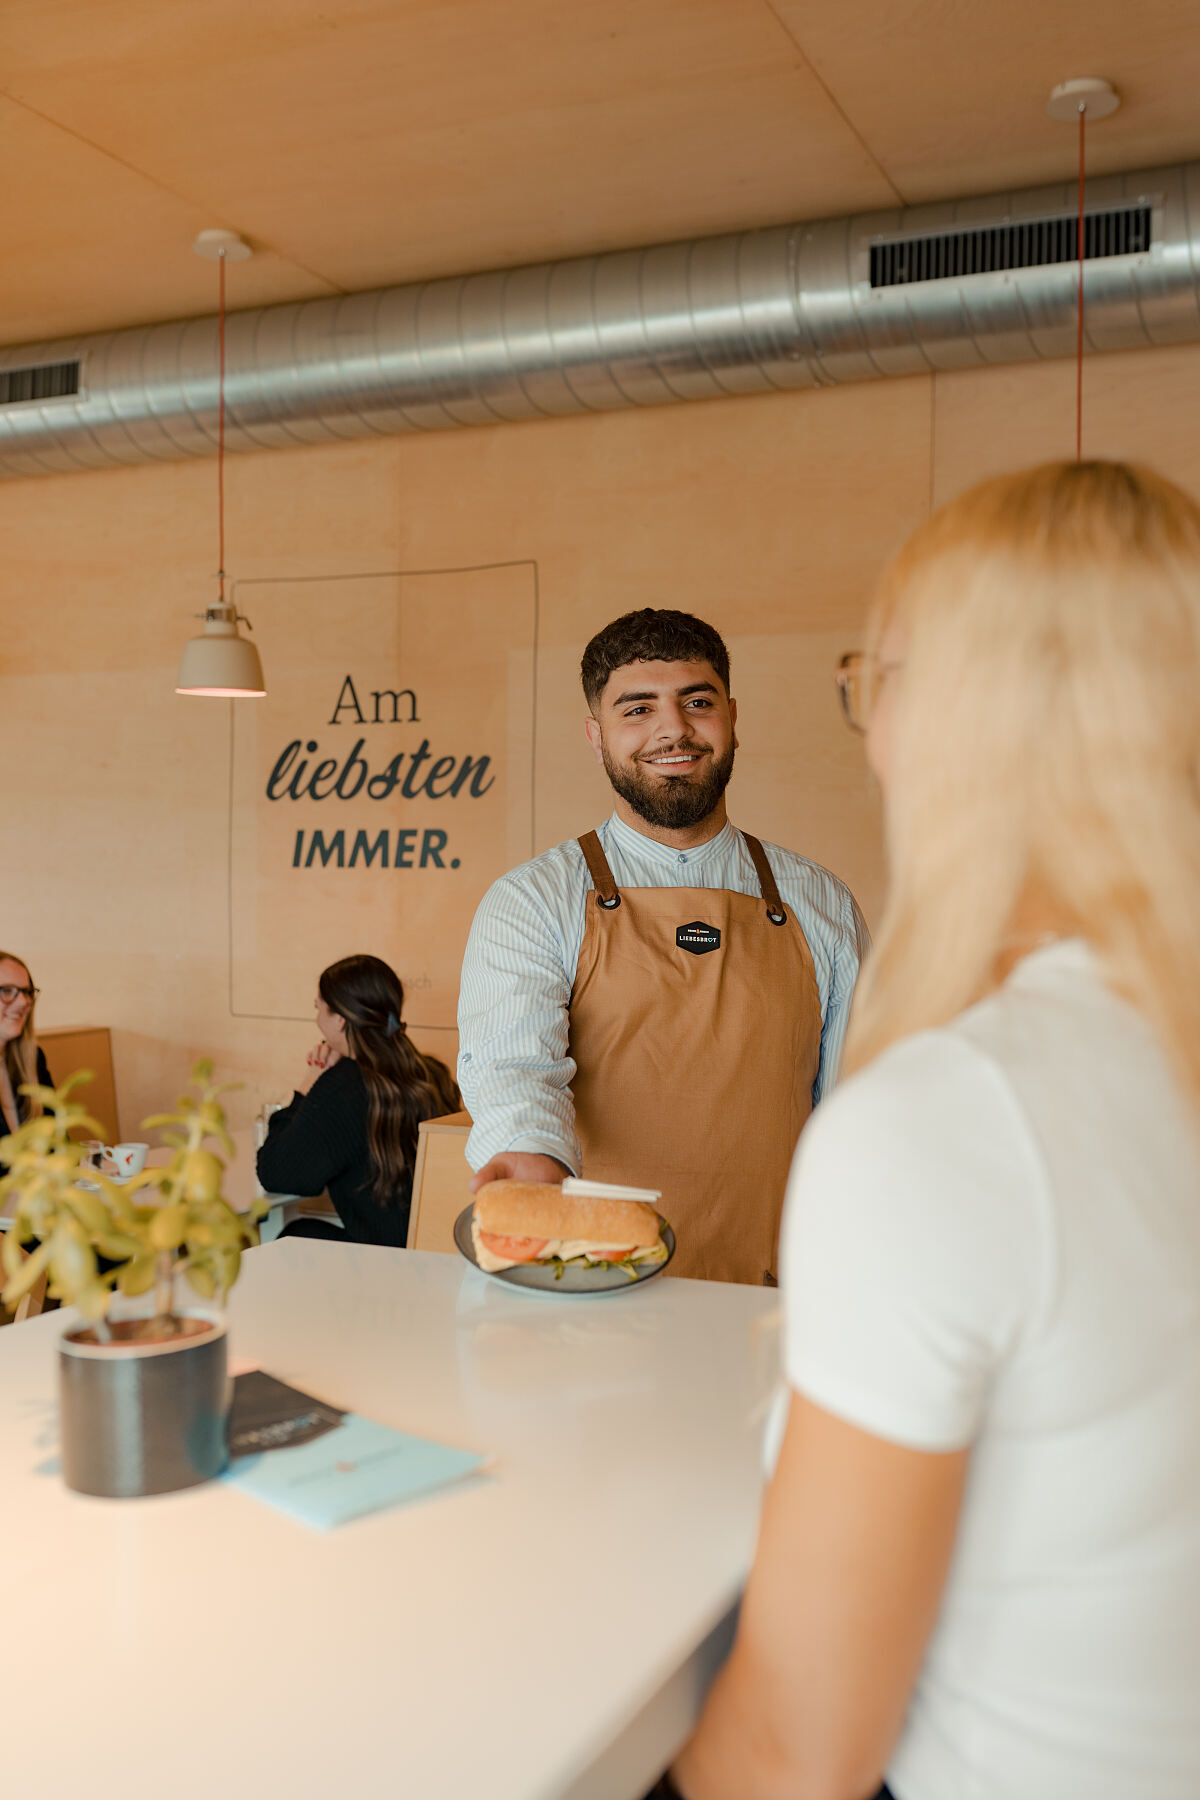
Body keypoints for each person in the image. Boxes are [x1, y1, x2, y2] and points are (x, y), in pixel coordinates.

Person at [659, 462, 1200, 1800]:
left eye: (874, 678)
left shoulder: (954, 1121)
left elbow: (797, 1750)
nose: (868, 726)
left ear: (955, 721)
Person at [458, 608, 868, 1284]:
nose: (673, 729)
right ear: (596, 735)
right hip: (589, 1282)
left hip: (773, 1289)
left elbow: (855, 1105)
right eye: (638, 709)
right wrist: (530, 1152)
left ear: (731, 716)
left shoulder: (820, 902)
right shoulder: (533, 899)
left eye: (697, 703)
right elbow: (512, 1064)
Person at [258, 954, 460, 1247]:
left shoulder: (345, 1085)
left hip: (381, 1262)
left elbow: (278, 1173)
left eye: (319, 1008)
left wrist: (308, 1084)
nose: (317, 1019)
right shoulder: (433, 1074)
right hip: (435, 1254)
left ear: (340, 1019)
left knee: (297, 1234)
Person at [0, 951, 51, 1138]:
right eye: (6, 991)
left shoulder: (34, 1059)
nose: (24, 1002)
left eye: (27, 992)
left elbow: (59, 1143)